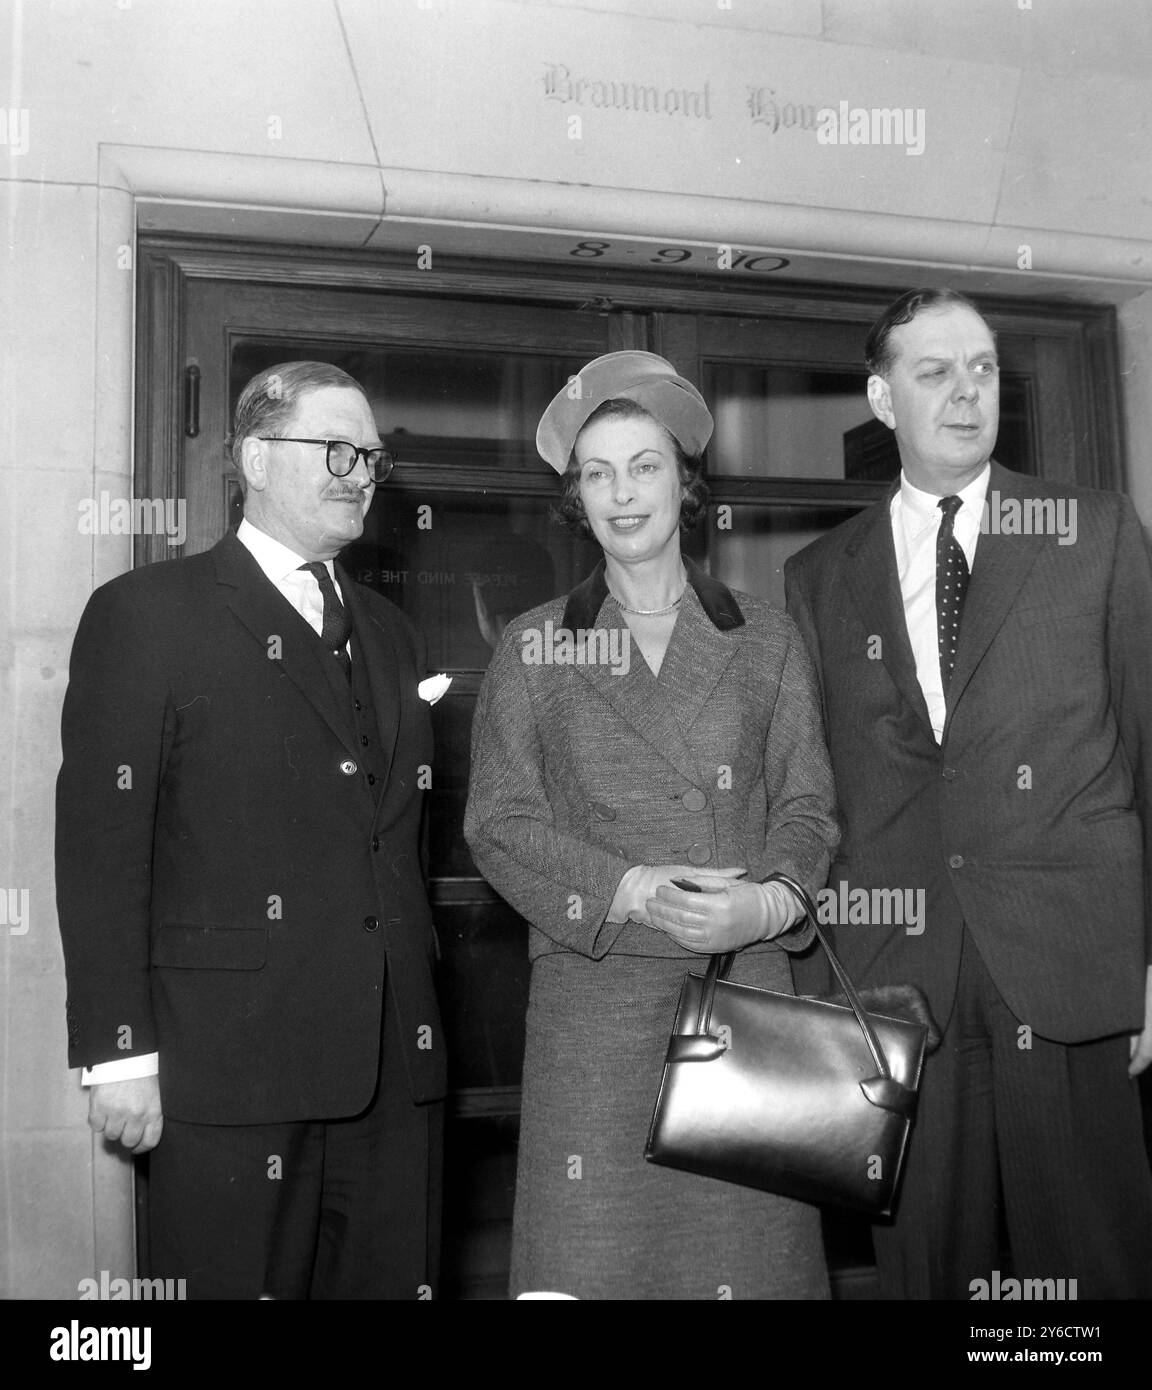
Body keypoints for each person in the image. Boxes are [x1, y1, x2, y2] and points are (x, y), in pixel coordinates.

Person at [785, 288, 1152, 1299]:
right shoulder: (820, 576)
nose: (966, 392)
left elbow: (1149, 744)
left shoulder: (1096, 529)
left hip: (1069, 962)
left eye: (984, 368)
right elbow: (813, 788)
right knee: (927, 1270)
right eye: (934, 371)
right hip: (902, 984)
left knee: (1090, 1270)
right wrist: (826, 982)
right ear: (881, 396)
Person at [56, 361, 446, 1299]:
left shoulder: (392, 631)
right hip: (222, 1076)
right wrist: (120, 1057)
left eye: (373, 458)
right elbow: (103, 851)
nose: (361, 473)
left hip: (395, 1074)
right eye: (338, 449)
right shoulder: (145, 614)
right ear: (257, 459)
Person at [464, 350, 839, 1299]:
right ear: (576, 501)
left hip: (743, 1005)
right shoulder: (535, 644)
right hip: (596, 1011)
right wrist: (626, 887)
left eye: (643, 466)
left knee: (747, 1270)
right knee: (594, 1266)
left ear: (685, 484)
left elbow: (807, 807)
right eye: (597, 474)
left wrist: (761, 908)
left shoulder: (768, 636)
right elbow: (499, 823)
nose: (622, 494)